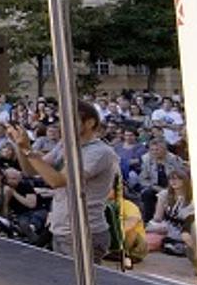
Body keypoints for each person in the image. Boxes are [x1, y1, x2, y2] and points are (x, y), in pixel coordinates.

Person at [8, 100, 118, 261]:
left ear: (90, 122)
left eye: (71, 120)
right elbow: (31, 170)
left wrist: (27, 149)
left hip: (84, 232)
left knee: (81, 284)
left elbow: (58, 181)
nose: (63, 125)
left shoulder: (99, 152)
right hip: (62, 228)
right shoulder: (64, 145)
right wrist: (19, 146)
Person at [147, 160, 195, 258]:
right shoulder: (164, 195)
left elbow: (189, 223)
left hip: (184, 231)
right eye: (171, 179)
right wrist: (156, 226)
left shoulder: (192, 200)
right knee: (145, 239)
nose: (173, 182)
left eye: (178, 179)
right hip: (165, 228)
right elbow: (157, 217)